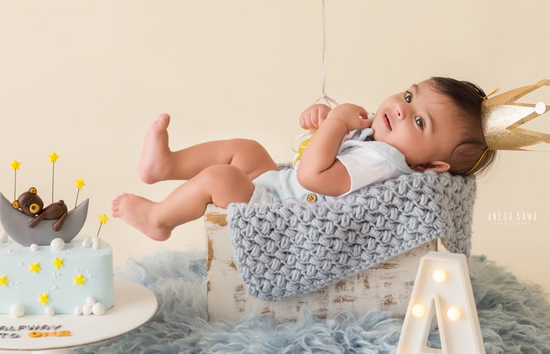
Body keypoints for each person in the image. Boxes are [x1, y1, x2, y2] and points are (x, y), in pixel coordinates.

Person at [111, 76, 496, 241]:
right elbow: (321, 160)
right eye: (409, 97)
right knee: (247, 149)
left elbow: (314, 177)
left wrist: (338, 123)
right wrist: (324, 124)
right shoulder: (380, 141)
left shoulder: (385, 162)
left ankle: (158, 219)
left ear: (430, 166)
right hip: (282, 187)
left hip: (285, 211)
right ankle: (167, 165)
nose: (399, 108)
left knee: (222, 177)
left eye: (418, 120)